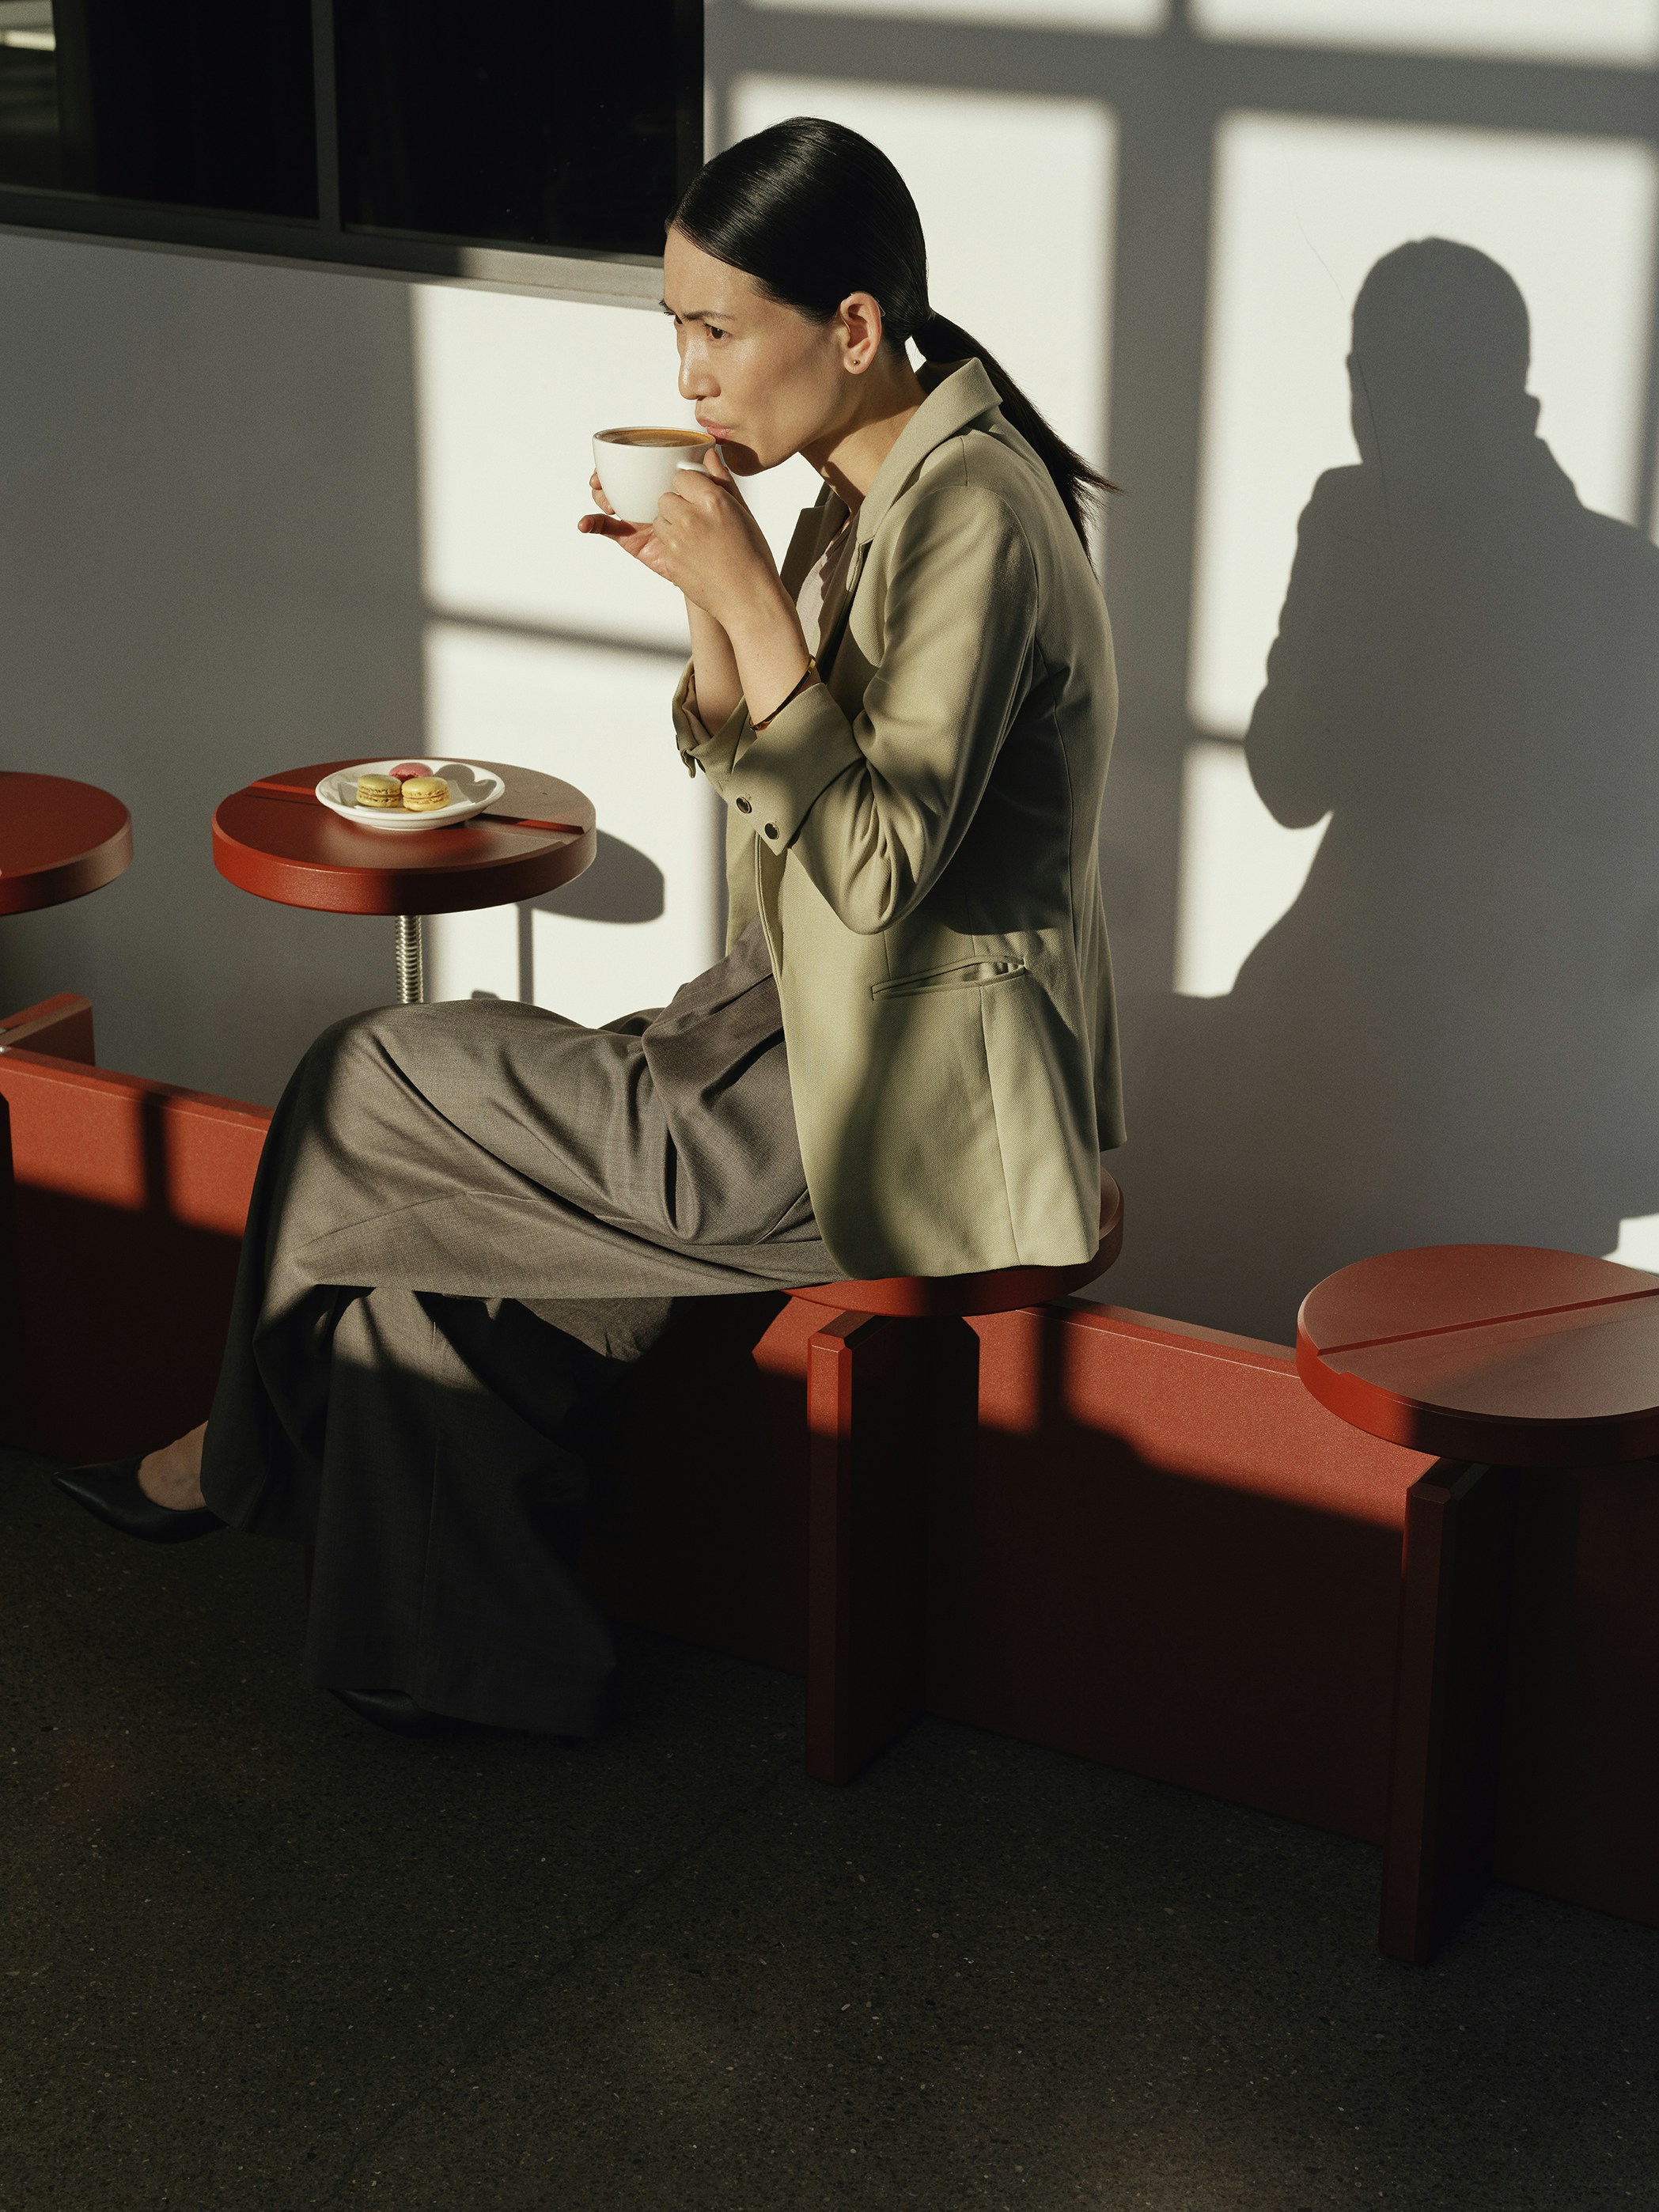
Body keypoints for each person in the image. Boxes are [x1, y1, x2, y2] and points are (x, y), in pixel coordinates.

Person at [53, 116, 1126, 1738]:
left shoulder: (966, 509)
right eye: (670, 330)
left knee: (367, 1075)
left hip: (886, 1112)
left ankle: (234, 1456)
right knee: (421, 1291)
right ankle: (472, 1671)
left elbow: (880, 868)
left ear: (849, 328)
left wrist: (754, 598)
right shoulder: (853, 481)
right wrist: (708, 594)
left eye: (717, 330)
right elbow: (741, 761)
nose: (690, 375)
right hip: (776, 1035)